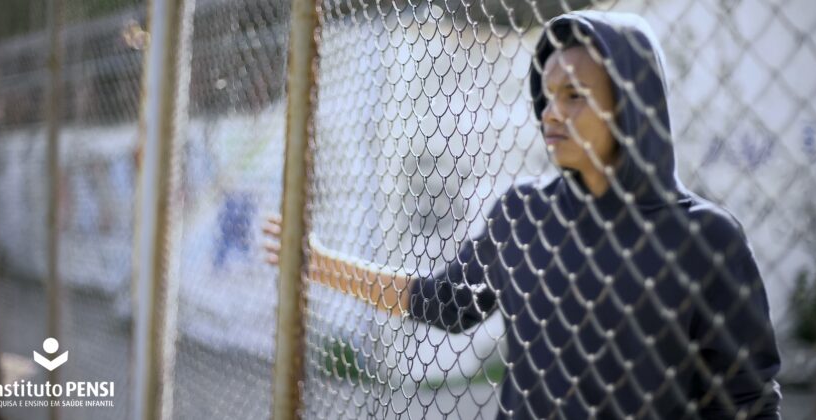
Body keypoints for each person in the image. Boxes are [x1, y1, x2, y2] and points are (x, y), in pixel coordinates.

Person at [264, 11, 781, 419]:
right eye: (548, 94)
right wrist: (315, 262)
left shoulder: (706, 239)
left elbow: (747, 403)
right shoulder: (523, 215)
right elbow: (443, 303)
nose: (551, 112)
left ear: (631, 103)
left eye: (575, 96)